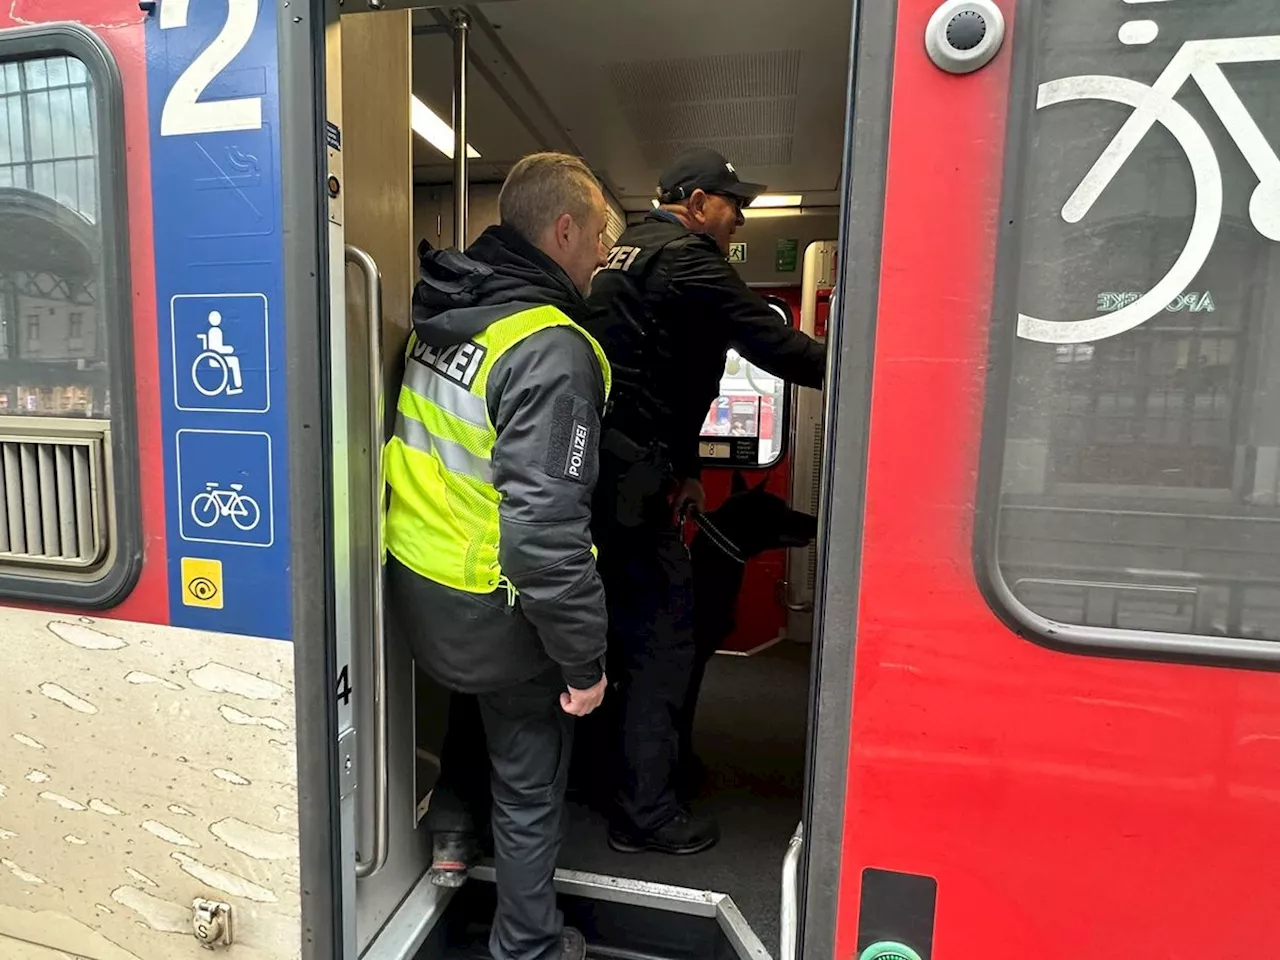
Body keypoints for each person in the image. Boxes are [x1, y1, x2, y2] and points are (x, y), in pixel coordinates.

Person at [384, 152, 612, 960]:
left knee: (478, 706)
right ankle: (527, 945)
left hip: (419, 590)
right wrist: (584, 662)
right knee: (530, 779)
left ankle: (449, 827)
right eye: (598, 237)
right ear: (563, 229)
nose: (601, 257)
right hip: (493, 607)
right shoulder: (550, 347)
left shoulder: (445, 314)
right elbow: (545, 537)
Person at [580, 146, 826, 856]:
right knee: (664, 645)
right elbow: (776, 344)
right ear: (693, 203)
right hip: (632, 486)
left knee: (620, 640)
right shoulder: (689, 259)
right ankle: (645, 815)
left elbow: (660, 373)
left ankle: (616, 778)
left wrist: (687, 467)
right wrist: (868, 370)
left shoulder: (627, 252)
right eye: (731, 202)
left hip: (609, 475)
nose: (739, 215)